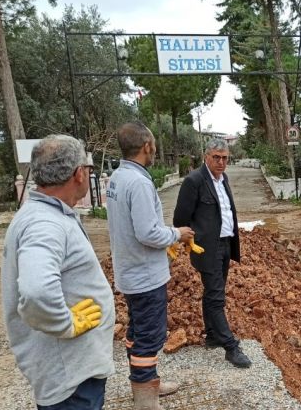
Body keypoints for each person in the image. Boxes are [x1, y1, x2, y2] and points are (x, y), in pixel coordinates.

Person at [2, 135, 115, 409]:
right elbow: (36, 291)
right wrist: (66, 324)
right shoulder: (45, 224)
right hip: (70, 381)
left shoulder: (46, 214)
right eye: (87, 169)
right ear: (78, 174)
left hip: (73, 370)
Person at [106, 122, 195, 408]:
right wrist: (177, 234)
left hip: (130, 271)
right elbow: (147, 233)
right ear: (147, 146)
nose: (154, 149)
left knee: (136, 333)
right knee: (149, 336)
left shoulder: (118, 178)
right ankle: (146, 400)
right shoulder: (139, 183)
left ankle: (147, 383)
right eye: (153, 145)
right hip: (145, 276)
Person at [173, 138, 251, 368]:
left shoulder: (223, 178)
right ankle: (230, 346)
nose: (221, 162)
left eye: (225, 158)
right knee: (216, 297)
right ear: (206, 156)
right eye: (216, 157)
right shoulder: (194, 181)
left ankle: (212, 336)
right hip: (208, 248)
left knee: (213, 292)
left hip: (226, 244)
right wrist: (192, 239)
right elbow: (180, 219)